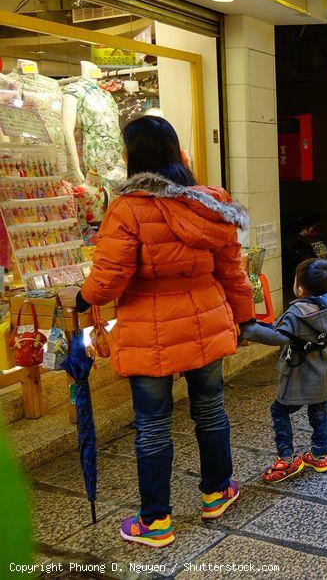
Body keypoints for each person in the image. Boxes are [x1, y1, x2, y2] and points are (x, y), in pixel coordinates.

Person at [57, 115, 253, 548]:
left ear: (134, 156)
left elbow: (109, 279)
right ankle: (217, 492)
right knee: (210, 411)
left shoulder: (127, 208)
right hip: (205, 322)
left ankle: (156, 522)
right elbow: (233, 273)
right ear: (173, 151)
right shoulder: (211, 202)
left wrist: (82, 299)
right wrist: (245, 319)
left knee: (152, 426)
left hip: (149, 329)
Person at [239, 258, 327, 483]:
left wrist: (248, 330)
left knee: (280, 411)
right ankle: (319, 455)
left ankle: (285, 459)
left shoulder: (297, 313)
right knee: (320, 413)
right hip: (324, 374)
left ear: (300, 288)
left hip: (299, 374)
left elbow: (279, 336)